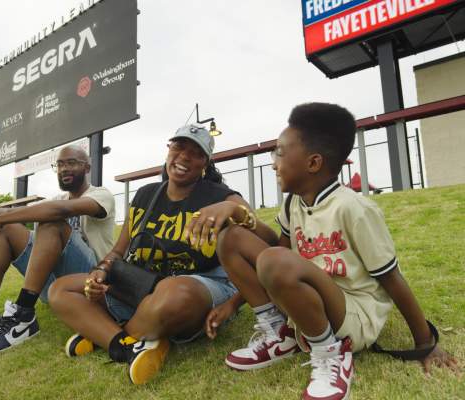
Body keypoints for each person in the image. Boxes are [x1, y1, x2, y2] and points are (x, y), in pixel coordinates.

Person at [187, 103, 458, 400]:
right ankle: (281, 334)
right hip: (307, 301)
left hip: (352, 313)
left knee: (276, 260)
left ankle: (331, 353)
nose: (274, 162)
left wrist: (425, 343)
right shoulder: (295, 204)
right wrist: (234, 300)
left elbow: (391, 278)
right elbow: (274, 252)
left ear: (313, 163)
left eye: (280, 152)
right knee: (231, 238)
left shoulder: (353, 208)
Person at [48, 124, 254, 385]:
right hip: (143, 284)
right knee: (60, 290)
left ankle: (104, 333)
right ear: (168, 150)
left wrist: (233, 210)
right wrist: (100, 272)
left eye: (196, 152)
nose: (184, 157)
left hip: (200, 286)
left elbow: (265, 243)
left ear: (205, 163)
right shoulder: (146, 195)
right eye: (178, 147)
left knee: (174, 293)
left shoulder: (220, 196)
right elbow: (118, 251)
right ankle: (129, 344)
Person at [0, 145, 115, 358]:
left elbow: (59, 211)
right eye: (60, 164)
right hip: (56, 287)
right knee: (8, 229)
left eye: (71, 163)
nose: (64, 168)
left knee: (51, 221)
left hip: (89, 283)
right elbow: (16, 212)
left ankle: (23, 316)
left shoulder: (102, 195)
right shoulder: (59, 198)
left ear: (87, 168)